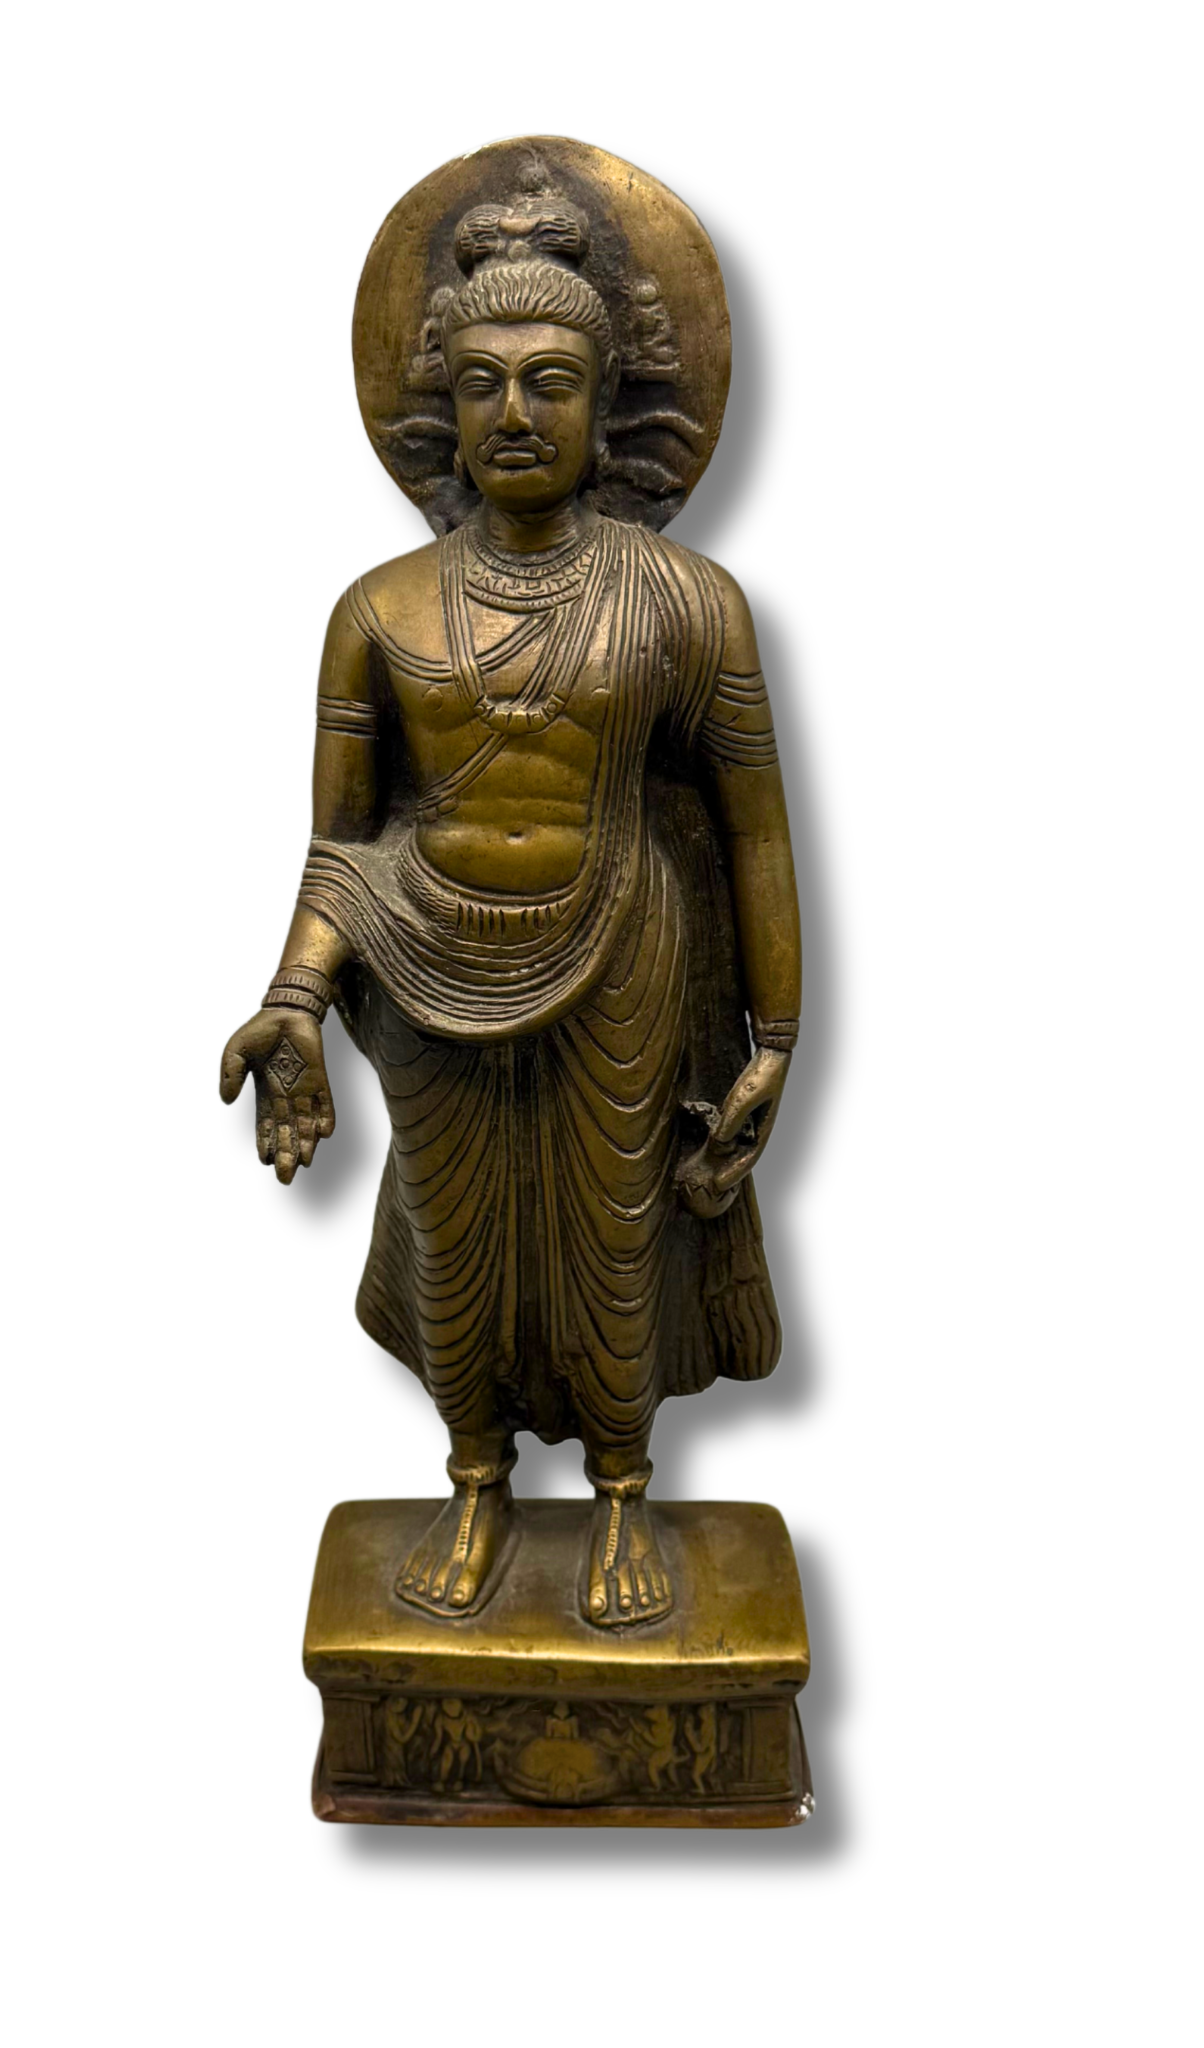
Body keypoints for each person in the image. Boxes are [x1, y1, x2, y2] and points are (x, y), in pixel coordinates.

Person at [221, 180, 800, 1628]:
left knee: (617, 1237)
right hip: (422, 962)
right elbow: (341, 845)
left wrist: (776, 1037)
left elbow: (754, 831)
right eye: (481, 384)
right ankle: (475, 1480)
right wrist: (295, 999)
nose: (516, 414)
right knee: (454, 1235)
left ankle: (621, 1490)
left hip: (625, 957)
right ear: (440, 407)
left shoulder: (690, 603)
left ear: (611, 407)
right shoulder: (378, 612)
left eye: (553, 382)